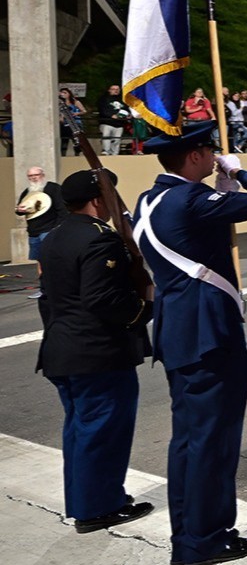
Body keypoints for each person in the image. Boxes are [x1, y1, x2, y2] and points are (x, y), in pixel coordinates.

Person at [132, 120, 247, 565]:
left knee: (188, 440)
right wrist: (238, 175)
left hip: (179, 333)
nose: (214, 157)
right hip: (208, 335)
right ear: (196, 157)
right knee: (213, 441)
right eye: (210, 153)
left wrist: (220, 188)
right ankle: (207, 538)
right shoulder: (190, 198)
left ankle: (189, 536)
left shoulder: (150, 200)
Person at [36, 168, 154, 534]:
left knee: (81, 431)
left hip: (62, 348)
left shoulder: (53, 237)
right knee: (104, 431)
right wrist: (143, 309)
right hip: (97, 353)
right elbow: (102, 298)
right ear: (98, 200)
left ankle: (92, 498)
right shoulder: (101, 239)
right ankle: (97, 508)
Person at [16, 166, 68, 294]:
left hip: (49, 229)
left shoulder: (53, 189)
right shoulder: (27, 192)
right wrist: (19, 210)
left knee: (51, 259)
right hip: (34, 231)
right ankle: (44, 288)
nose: (34, 178)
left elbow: (62, 210)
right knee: (40, 260)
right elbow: (20, 210)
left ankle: (57, 288)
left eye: (36, 175)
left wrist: (57, 227)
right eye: (30, 176)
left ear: (42, 175)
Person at [98, 85, 133, 157]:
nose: (115, 90)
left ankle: (115, 154)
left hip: (119, 123)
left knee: (117, 140)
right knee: (106, 137)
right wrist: (111, 115)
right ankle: (106, 151)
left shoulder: (122, 100)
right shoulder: (104, 99)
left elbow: (127, 109)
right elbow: (102, 109)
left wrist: (128, 115)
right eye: (113, 89)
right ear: (109, 90)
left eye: (117, 89)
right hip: (107, 122)